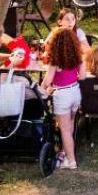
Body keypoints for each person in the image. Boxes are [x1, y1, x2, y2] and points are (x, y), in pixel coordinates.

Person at [39, 27, 84, 169]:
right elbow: (82, 76)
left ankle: (71, 161)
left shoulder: (55, 61)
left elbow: (47, 81)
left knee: (64, 129)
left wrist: (42, 89)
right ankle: (65, 152)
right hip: (75, 92)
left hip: (62, 95)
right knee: (69, 126)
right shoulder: (78, 58)